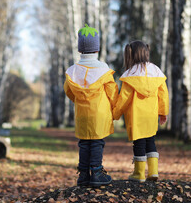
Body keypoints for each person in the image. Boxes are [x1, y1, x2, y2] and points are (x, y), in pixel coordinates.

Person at [64, 24, 118, 186]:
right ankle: (96, 172)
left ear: (80, 49)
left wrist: (80, 101)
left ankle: (83, 174)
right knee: (96, 142)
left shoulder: (73, 70)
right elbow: (112, 91)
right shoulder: (103, 69)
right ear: (97, 49)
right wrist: (114, 109)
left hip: (82, 113)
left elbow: (68, 91)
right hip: (99, 113)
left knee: (84, 143)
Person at [113, 40, 169, 182]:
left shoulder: (130, 75)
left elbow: (123, 99)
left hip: (136, 116)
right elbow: (163, 94)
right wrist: (163, 112)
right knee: (151, 141)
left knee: (139, 143)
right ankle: (153, 172)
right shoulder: (156, 72)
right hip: (151, 115)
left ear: (131, 55)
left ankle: (139, 174)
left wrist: (115, 114)